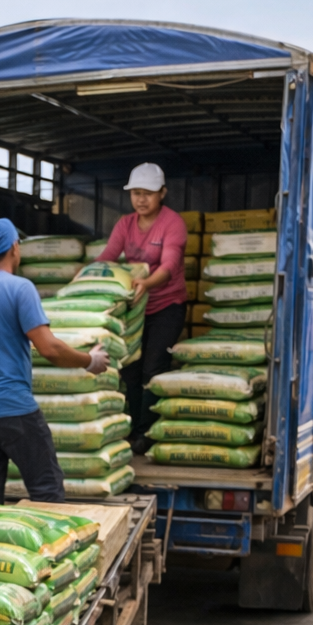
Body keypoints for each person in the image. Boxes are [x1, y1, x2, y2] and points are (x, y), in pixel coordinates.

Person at [0, 219, 109, 505]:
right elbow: (49, 348)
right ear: (14, 247)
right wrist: (90, 360)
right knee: (46, 489)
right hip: (11, 407)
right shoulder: (19, 288)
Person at [96, 162, 188, 452]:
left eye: (148, 193)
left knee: (153, 367)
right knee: (131, 369)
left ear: (162, 193)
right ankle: (134, 429)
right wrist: (85, 276)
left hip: (167, 305)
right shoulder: (125, 224)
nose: (141, 199)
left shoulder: (173, 223)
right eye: (136, 193)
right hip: (135, 309)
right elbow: (109, 256)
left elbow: (170, 265)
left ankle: (149, 433)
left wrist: (146, 284)